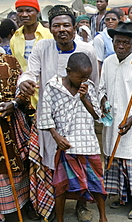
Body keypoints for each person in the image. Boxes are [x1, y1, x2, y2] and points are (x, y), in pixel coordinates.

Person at [18, 5, 99, 222]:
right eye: (56, 26)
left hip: (79, 121)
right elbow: (30, 73)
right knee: (52, 164)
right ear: (49, 28)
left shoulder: (87, 50)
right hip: (51, 121)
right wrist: (25, 83)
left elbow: (95, 84)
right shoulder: (42, 48)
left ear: (74, 27)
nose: (61, 29)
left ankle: (82, 205)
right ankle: (52, 205)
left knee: (83, 163)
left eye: (66, 25)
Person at [38, 53, 107, 222]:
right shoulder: (52, 87)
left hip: (88, 143)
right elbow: (46, 116)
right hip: (66, 145)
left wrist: (84, 99)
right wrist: (56, 136)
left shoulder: (89, 87)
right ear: (68, 71)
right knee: (61, 185)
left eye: (87, 76)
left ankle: (103, 217)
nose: (84, 80)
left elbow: (98, 116)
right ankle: (60, 218)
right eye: (81, 76)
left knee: (96, 182)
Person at [99, 22, 132, 219]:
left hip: (131, 123)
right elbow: (101, 89)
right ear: (112, 42)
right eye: (117, 41)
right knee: (114, 159)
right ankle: (124, 196)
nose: (121, 46)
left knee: (131, 161)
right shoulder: (108, 62)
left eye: (125, 43)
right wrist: (103, 101)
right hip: (112, 121)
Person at [0, 53, 35, 221]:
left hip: (10, 130)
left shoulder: (10, 61)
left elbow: (24, 94)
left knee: (15, 171)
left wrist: (13, 104)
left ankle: (21, 208)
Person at [10, 0, 53, 72]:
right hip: (23, 83)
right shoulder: (15, 38)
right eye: (20, 11)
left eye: (29, 11)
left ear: (37, 13)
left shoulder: (49, 35)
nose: (24, 15)